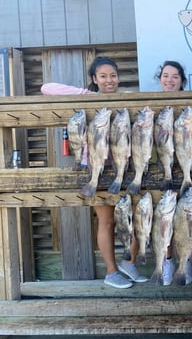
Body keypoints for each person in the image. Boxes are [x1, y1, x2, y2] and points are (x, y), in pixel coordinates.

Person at [41, 56, 148, 289]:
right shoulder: (89, 100)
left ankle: (129, 262)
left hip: (127, 167)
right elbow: (46, 88)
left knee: (139, 216)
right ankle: (111, 272)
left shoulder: (126, 99)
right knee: (107, 222)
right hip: (98, 170)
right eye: (103, 76)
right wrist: (88, 96)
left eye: (113, 75)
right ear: (94, 79)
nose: (109, 80)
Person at [154, 60, 192, 286]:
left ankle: (185, 263)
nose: (169, 80)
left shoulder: (191, 105)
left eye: (175, 76)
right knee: (164, 222)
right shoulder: (150, 105)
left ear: (182, 81)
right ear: (160, 79)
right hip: (161, 170)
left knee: (186, 223)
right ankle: (167, 263)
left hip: (187, 170)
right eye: (166, 76)